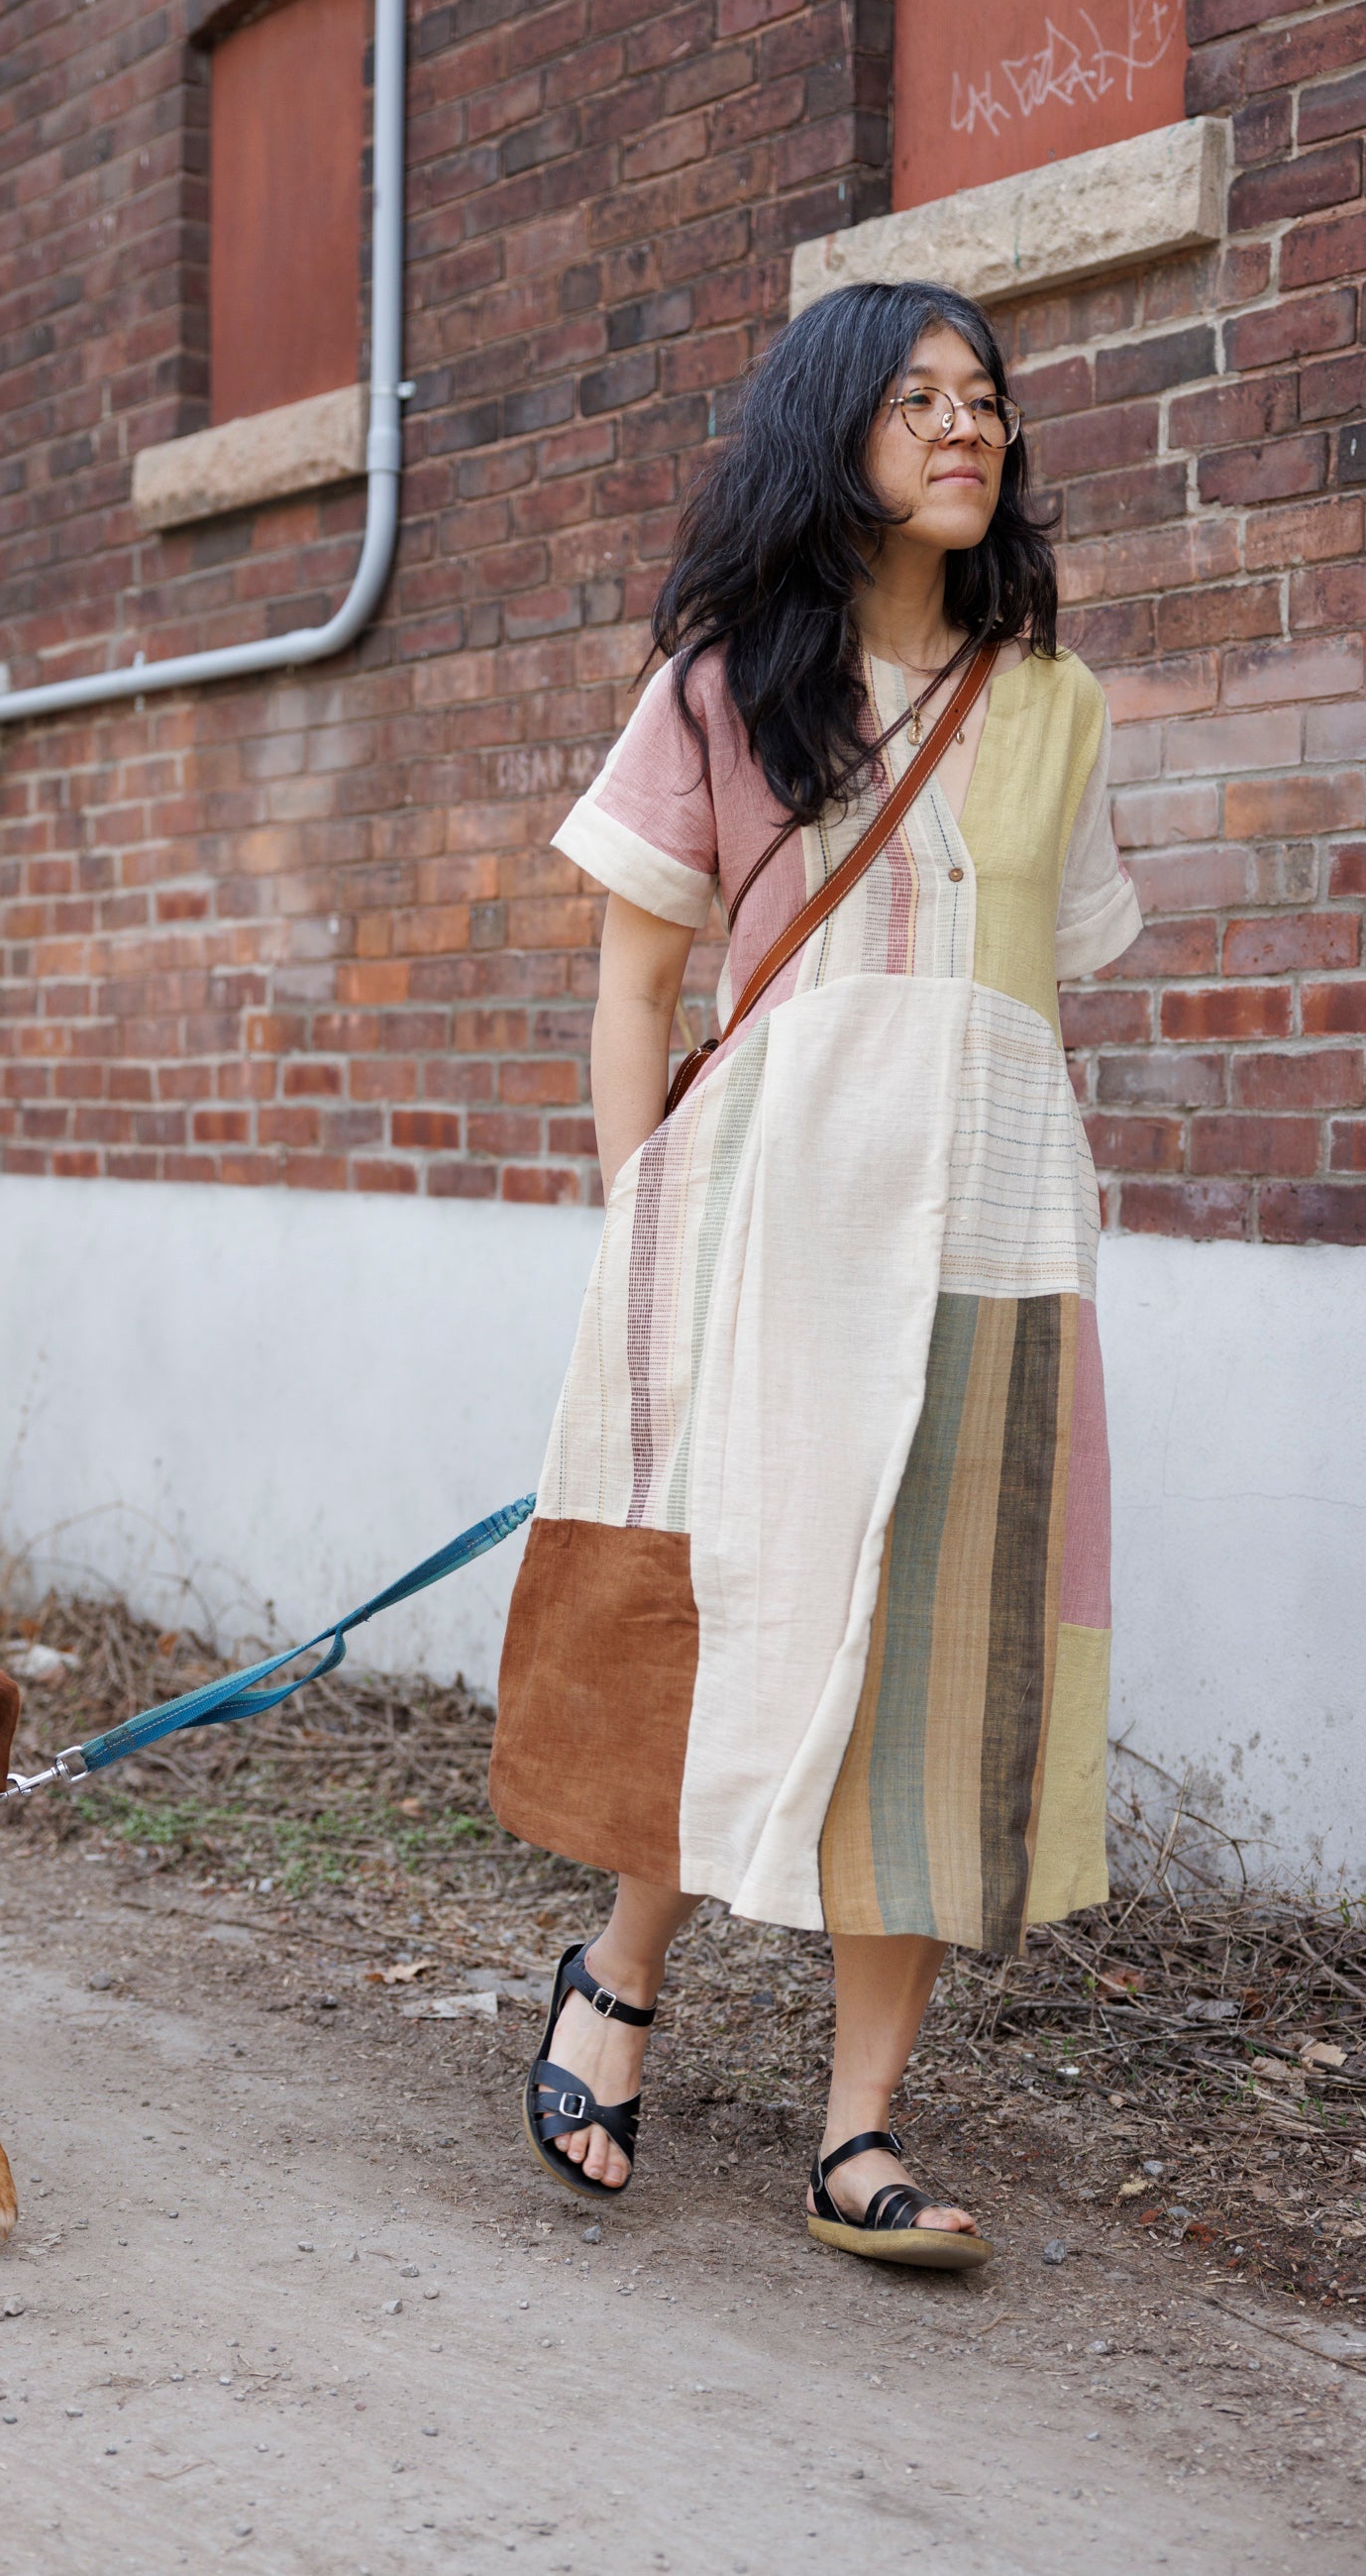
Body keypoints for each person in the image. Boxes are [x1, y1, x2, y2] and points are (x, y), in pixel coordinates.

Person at [489, 279, 1141, 2268]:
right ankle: (615, 1980)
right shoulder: (720, 689)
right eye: (919, 400)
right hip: (760, 1230)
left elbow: (1038, 996)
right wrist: (640, 1231)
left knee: (946, 1654)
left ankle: (861, 2130)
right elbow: (634, 981)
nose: (967, 430)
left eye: (987, 403)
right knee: (726, 1614)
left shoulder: (1057, 707)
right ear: (830, 431)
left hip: (995, 1238)